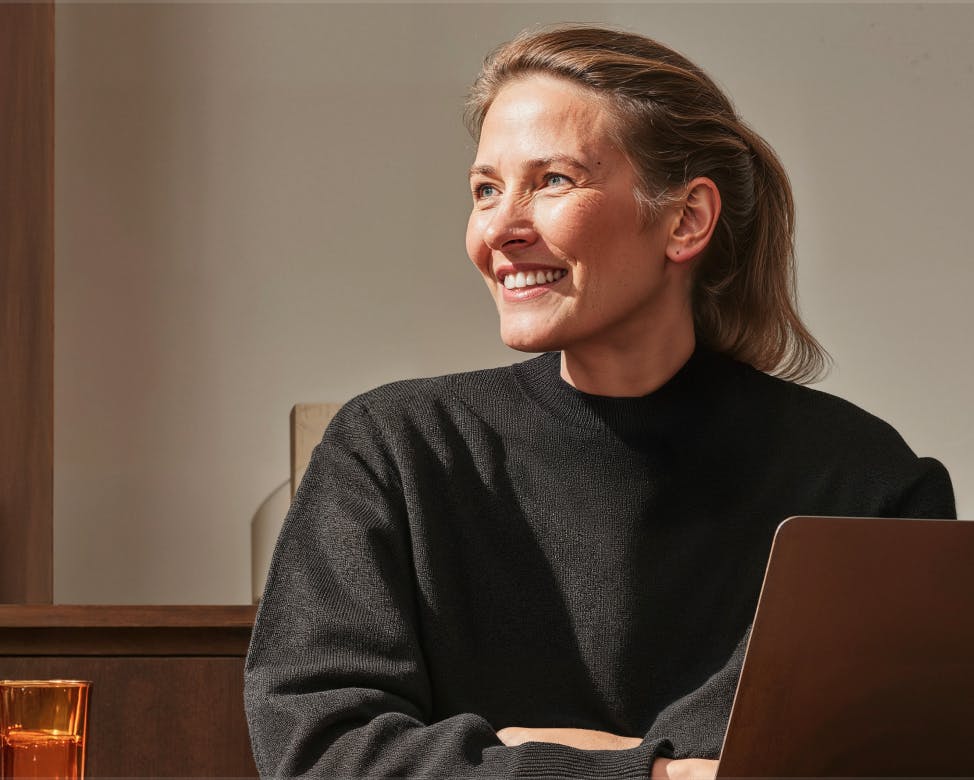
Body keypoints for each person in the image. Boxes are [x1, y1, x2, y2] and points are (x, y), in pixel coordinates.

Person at [244, 24, 955, 779]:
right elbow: (320, 752)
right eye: (486, 189)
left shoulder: (865, 486)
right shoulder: (390, 448)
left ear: (686, 220)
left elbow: (877, 763)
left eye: (552, 180)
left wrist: (530, 755)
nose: (501, 229)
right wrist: (652, 773)